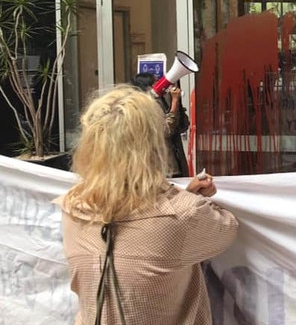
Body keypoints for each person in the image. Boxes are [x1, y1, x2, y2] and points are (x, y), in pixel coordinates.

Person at [54, 85, 238, 324]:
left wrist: (182, 195)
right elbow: (226, 228)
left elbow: (136, 218)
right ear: (152, 147)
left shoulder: (72, 208)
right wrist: (184, 198)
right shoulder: (182, 214)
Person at [132, 72, 190, 177]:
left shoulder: (163, 100)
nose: (160, 84)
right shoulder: (145, 107)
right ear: (148, 87)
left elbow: (183, 126)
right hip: (163, 168)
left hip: (177, 163)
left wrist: (177, 104)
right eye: (156, 82)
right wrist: (174, 103)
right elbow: (166, 130)